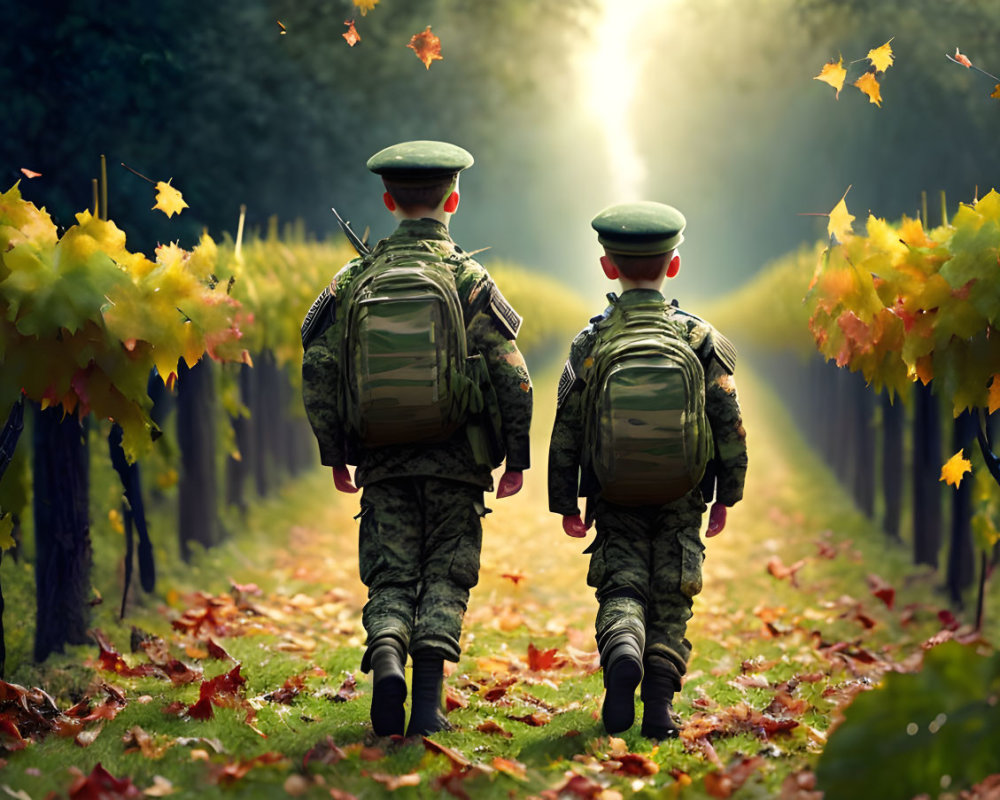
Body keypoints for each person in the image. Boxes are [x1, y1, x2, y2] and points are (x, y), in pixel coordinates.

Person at [301, 140, 532, 737]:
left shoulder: (353, 279)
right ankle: (427, 705)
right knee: (447, 576)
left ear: (387, 200)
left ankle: (384, 658)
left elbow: (319, 370)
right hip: (459, 461)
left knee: (391, 574)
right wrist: (516, 458)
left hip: (383, 460)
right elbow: (513, 376)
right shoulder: (468, 278)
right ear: (453, 199)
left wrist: (337, 452)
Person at [547, 201, 747, 739]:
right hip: (683, 494)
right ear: (673, 265)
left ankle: (622, 646)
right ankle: (658, 708)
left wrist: (565, 500)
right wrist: (729, 491)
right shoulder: (700, 340)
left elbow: (566, 426)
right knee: (672, 598)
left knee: (622, 585)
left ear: (608, 266)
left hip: (613, 493)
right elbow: (729, 421)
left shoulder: (590, 343)